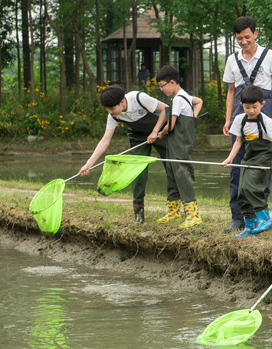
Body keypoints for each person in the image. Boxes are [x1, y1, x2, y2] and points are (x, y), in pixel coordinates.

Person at [222, 16, 272, 233]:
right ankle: (238, 218)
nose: (243, 42)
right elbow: (231, 91)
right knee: (237, 166)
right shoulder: (232, 59)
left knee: (261, 165)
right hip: (240, 111)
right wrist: (228, 118)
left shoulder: (270, 56)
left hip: (264, 111)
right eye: (239, 38)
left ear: (256, 34)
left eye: (247, 37)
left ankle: (260, 216)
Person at [78, 84, 169, 223]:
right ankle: (139, 213)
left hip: (160, 132)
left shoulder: (139, 98)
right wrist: (88, 165)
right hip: (138, 137)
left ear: (122, 102)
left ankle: (175, 209)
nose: (110, 112)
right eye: (107, 109)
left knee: (172, 168)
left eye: (112, 108)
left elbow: (166, 109)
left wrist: (156, 131)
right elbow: (105, 141)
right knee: (138, 173)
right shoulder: (112, 116)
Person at [222, 85, 272, 238]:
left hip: (263, 157)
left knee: (251, 186)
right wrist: (230, 158)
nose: (251, 111)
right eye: (247, 107)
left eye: (255, 107)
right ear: (241, 105)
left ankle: (265, 219)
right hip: (248, 157)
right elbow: (238, 142)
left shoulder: (266, 121)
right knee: (242, 191)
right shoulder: (239, 120)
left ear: (262, 104)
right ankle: (250, 226)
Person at [156, 65, 204, 229]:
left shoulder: (177, 99)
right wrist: (192, 118)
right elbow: (199, 102)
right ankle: (174, 211)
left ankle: (193, 214)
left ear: (172, 82)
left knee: (182, 175)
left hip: (179, 144)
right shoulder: (185, 96)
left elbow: (170, 126)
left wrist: (161, 134)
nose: (161, 89)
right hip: (176, 143)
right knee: (172, 173)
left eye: (162, 86)